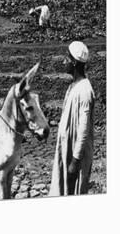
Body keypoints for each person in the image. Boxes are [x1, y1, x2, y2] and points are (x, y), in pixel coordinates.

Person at [49, 41, 95, 196]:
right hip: (67, 151)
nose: (64, 62)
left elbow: (83, 130)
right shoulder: (74, 86)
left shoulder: (84, 91)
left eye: (66, 59)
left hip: (75, 157)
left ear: (74, 62)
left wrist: (75, 161)